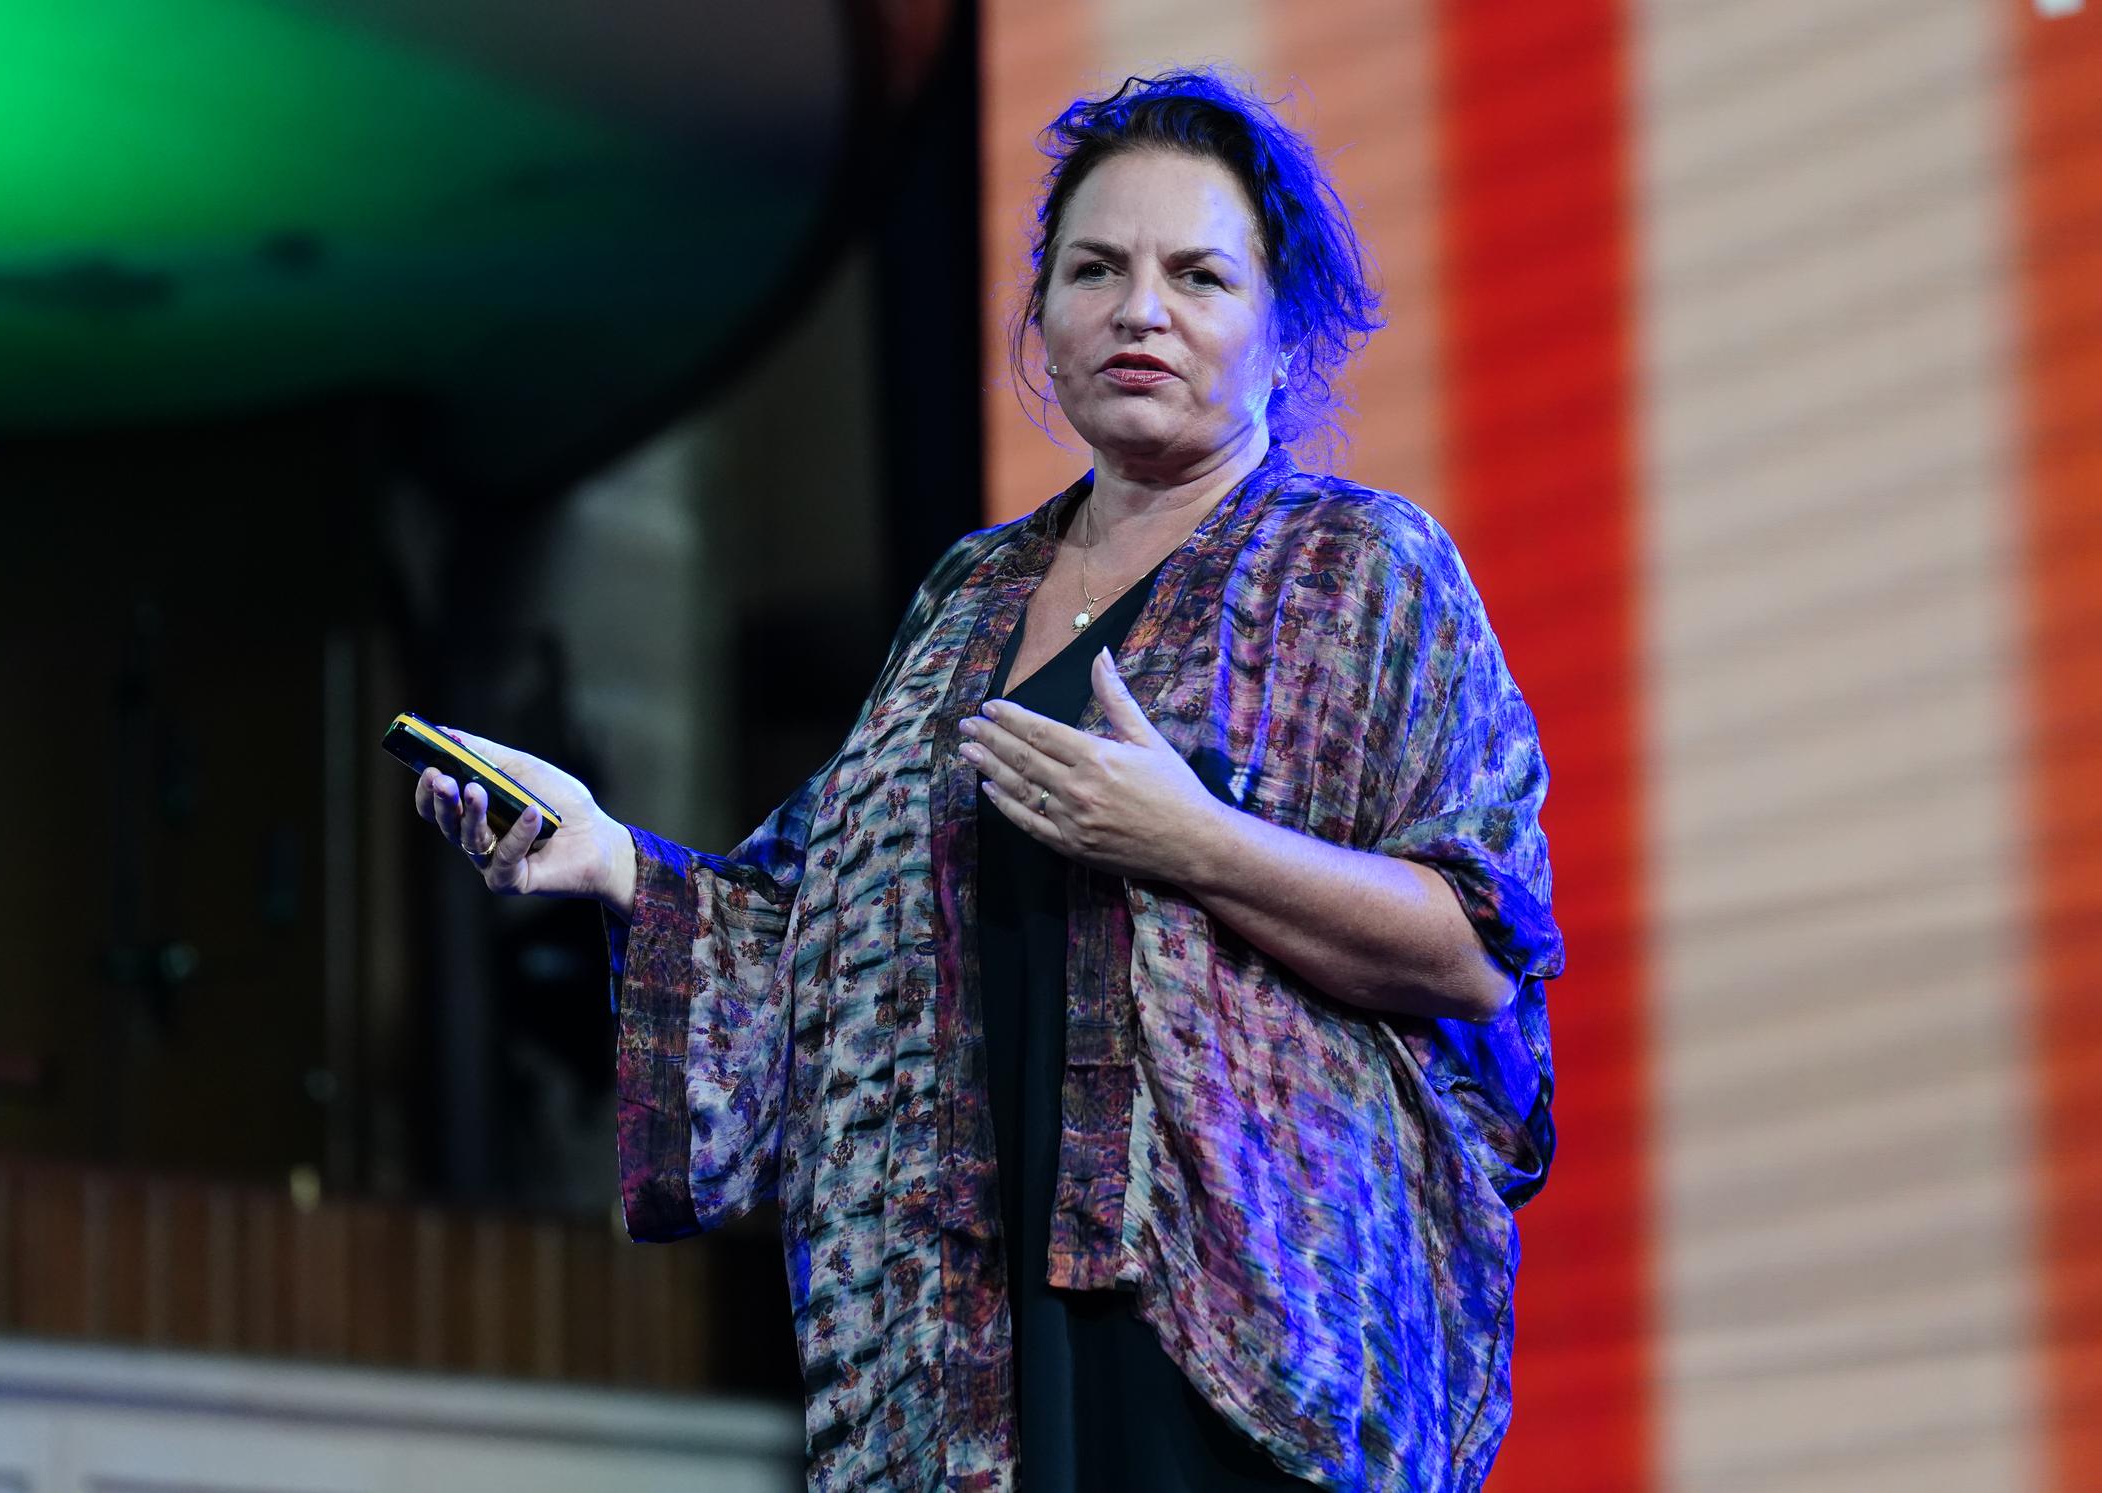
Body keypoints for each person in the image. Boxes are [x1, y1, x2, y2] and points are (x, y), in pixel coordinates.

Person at [413, 70, 1561, 1493]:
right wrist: (614, 861)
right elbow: (822, 926)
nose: (1141, 310)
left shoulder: (1365, 571)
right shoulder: (968, 595)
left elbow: (1477, 950)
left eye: (1199, 274)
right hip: (962, 1347)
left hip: (1248, 1342)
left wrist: (1195, 841)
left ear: (1285, 332)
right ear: (1045, 319)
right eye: (1097, 269)